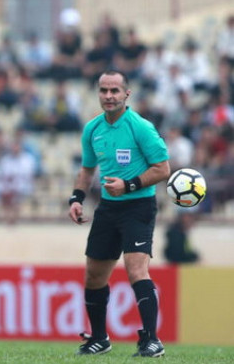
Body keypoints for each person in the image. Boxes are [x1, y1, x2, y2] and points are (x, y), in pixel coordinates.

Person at [68, 70, 170, 358]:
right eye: (104, 91)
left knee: (136, 269)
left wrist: (129, 185)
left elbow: (163, 169)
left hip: (138, 206)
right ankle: (100, 338)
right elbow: (87, 169)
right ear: (98, 93)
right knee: (94, 275)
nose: (109, 96)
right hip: (108, 209)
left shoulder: (140, 127)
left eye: (115, 91)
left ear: (127, 94)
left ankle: (152, 339)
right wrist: (76, 198)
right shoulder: (92, 129)